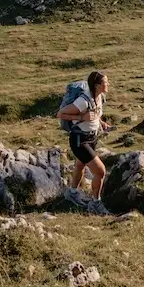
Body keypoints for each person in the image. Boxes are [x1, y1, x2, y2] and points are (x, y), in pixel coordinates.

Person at [56, 71, 111, 206]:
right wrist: (82, 118)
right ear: (97, 85)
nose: (108, 84)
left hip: (92, 138)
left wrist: (102, 123)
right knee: (100, 171)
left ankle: (72, 193)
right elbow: (60, 114)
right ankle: (95, 203)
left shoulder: (99, 97)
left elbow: (95, 114)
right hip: (80, 140)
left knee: (80, 165)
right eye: (105, 82)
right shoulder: (83, 101)